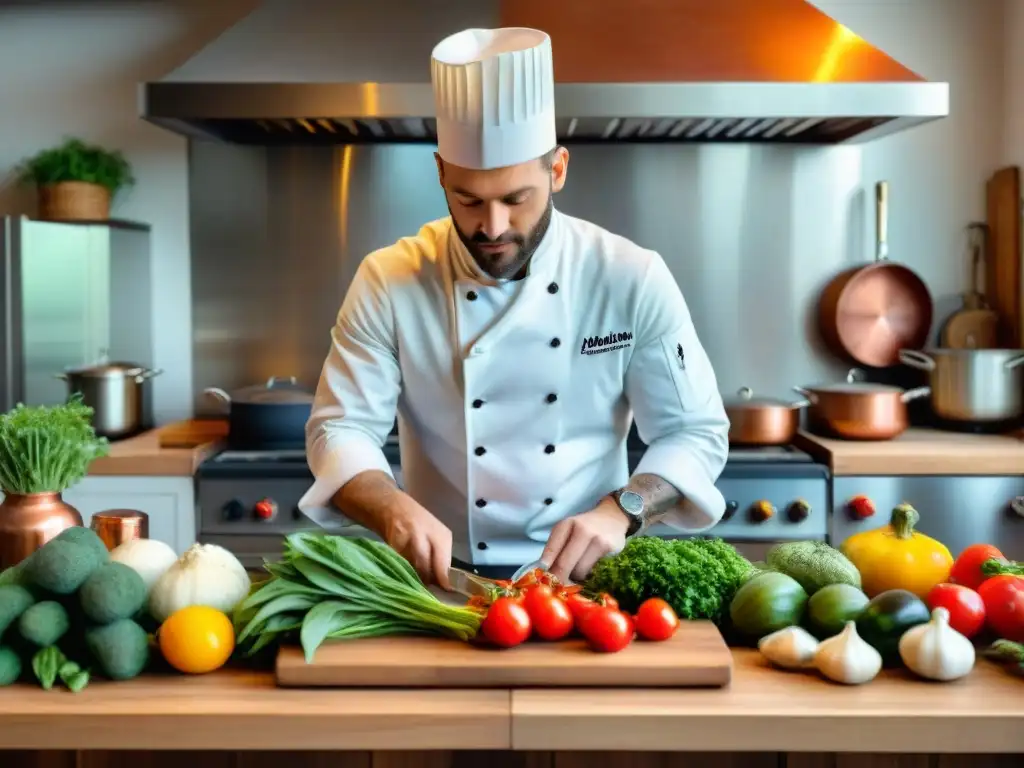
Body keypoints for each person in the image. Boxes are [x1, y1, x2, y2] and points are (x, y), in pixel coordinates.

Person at [298, 27, 729, 588]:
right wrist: (389, 506)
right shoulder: (389, 279)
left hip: (584, 584)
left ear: (558, 171)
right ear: (441, 174)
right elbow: (341, 428)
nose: (493, 227)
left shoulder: (629, 275)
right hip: (442, 583)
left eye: (515, 199)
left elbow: (694, 433)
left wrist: (622, 509)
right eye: (469, 200)